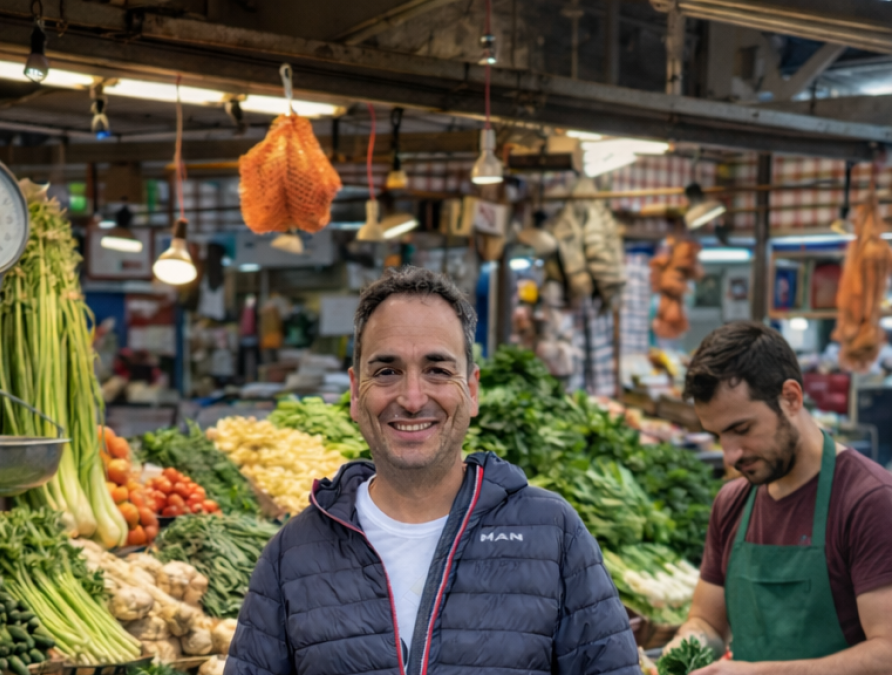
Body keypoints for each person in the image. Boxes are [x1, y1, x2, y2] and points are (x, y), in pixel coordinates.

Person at [226, 267, 638, 675]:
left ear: (472, 390)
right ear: (354, 393)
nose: (411, 397)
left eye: (437, 370)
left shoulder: (553, 534)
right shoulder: (293, 554)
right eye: (386, 371)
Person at [667, 322, 892, 675]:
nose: (730, 455)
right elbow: (708, 623)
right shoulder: (731, 503)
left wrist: (761, 674)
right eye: (718, 436)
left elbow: (888, 654)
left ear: (791, 397)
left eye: (741, 429)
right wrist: (686, 647)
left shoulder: (870, 502)